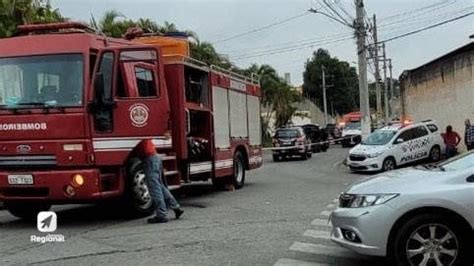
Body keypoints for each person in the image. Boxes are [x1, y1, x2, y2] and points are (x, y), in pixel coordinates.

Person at [138, 139, 184, 224]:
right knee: (160, 186)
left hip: (149, 158)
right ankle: (176, 207)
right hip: (154, 157)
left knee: (154, 188)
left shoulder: (139, 135)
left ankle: (161, 215)